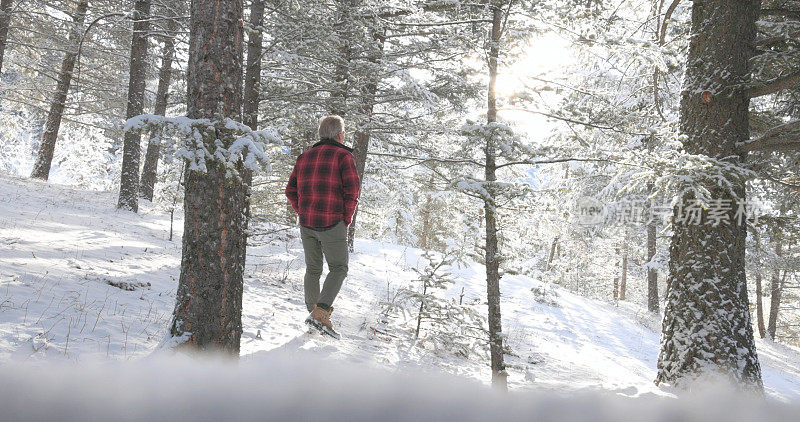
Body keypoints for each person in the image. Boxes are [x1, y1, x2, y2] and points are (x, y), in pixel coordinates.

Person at [285, 115, 360, 338]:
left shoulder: (304, 157)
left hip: (307, 223)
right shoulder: (344, 156)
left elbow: (290, 190)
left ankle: (313, 312)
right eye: (344, 132)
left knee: (313, 269)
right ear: (339, 134)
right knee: (339, 268)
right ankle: (320, 313)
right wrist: (345, 219)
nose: (344, 135)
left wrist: (303, 210)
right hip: (331, 223)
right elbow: (352, 192)